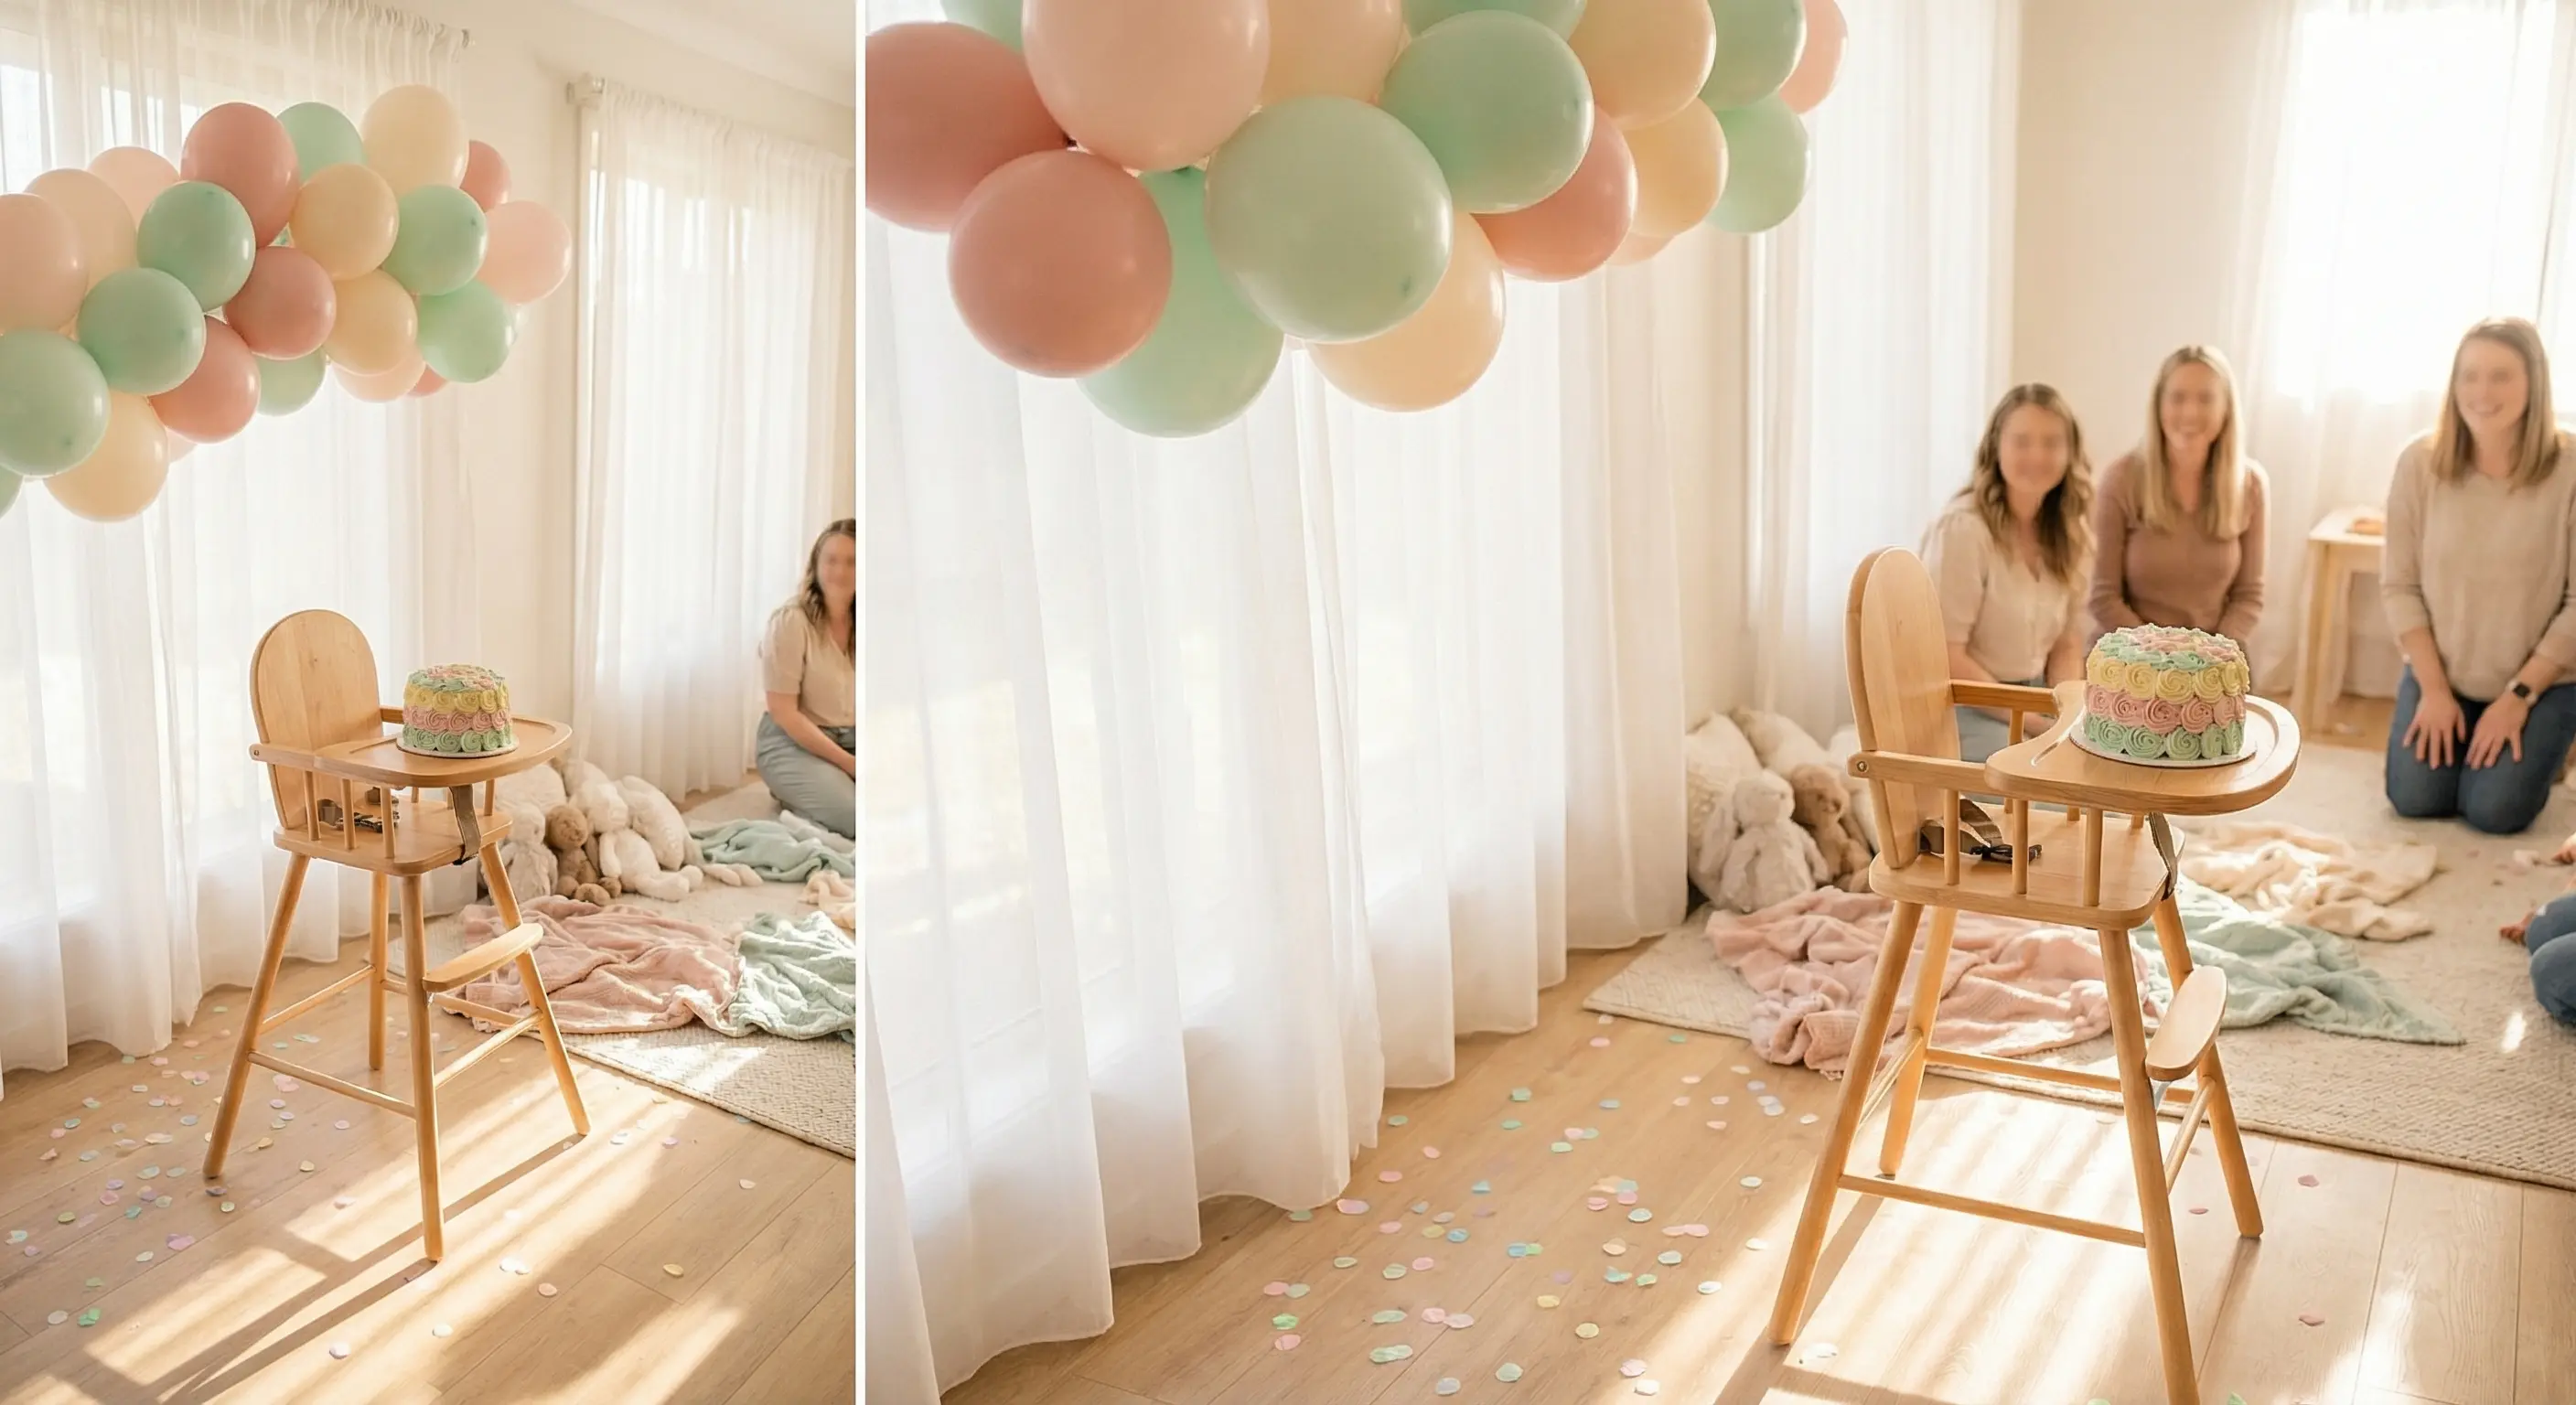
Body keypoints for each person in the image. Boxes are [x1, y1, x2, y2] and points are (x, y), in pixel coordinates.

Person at [2381, 317, 2576, 836]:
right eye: (2470, 376)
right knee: (2416, 798)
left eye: (2501, 376)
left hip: (2542, 681)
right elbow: (2399, 586)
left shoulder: (2571, 467)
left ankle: (2541, 748)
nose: (2482, 393)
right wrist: (2434, 691)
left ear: (2533, 382)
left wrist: (2517, 699)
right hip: (2446, 675)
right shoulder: (2418, 463)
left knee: (2496, 813)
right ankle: (2469, 736)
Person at [1925, 383, 2095, 763]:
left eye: (2051, 442)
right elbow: (1947, 654)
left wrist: (2070, 714)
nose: (2037, 455)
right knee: (2056, 794)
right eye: (2022, 441)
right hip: (1966, 706)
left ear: (2069, 454)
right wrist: (2035, 722)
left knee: (2112, 792)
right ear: (1996, 447)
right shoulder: (1963, 529)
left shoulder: (2071, 533)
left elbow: (2066, 643)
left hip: (2036, 703)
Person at [2088, 346, 2269, 643]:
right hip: (2130, 654)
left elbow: (2249, 597)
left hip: (2213, 658)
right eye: (2178, 398)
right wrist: (2163, 654)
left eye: (2206, 399)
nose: (2191, 412)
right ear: (2159, 405)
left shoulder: (2252, 485)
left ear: (2226, 409)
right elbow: (2104, 598)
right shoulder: (2121, 479)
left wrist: (2210, 654)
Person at [759, 519, 857, 838]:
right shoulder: (790, 622)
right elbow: (783, 712)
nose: (840, 571)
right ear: (815, 566)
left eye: (852, 562)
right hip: (793, 742)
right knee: (860, 817)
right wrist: (850, 764)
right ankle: (797, 790)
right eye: (831, 560)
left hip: (852, 739)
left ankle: (818, 791)